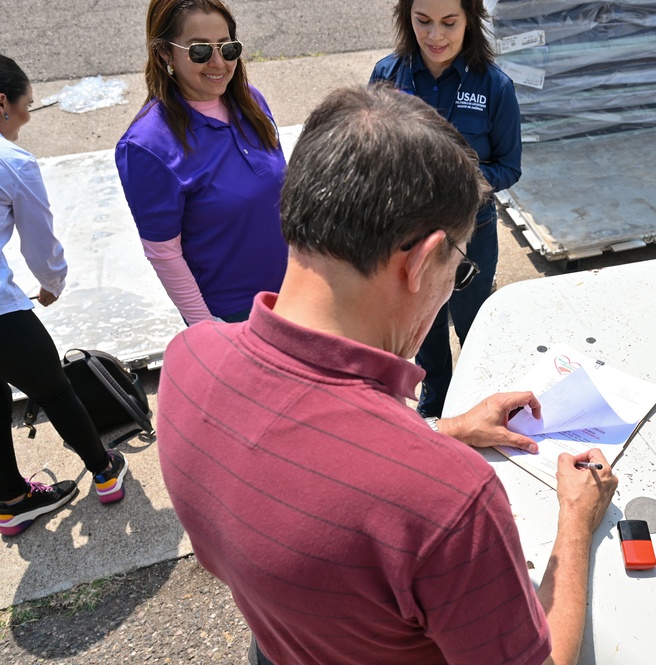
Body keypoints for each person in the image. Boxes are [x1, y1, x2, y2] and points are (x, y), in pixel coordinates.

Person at [157, 85, 616, 665]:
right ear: (423, 261)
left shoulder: (189, 359)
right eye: (460, 265)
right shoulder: (451, 500)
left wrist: (443, 431)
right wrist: (576, 525)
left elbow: (303, 462)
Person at [370, 0, 523, 418]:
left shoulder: (495, 87)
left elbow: (509, 168)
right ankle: (436, 406)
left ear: (470, 21)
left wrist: (455, 184)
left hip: (471, 233)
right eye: (423, 22)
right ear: (407, 19)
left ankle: (480, 405)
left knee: (474, 322)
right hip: (409, 235)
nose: (435, 36)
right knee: (426, 328)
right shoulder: (387, 76)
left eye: (449, 23)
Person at [0, 55, 128, 536]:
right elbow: (40, 241)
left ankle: (11, 502)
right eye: (26, 105)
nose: (29, 117)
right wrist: (52, 285)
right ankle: (105, 470)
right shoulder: (10, 161)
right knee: (53, 387)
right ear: (2, 104)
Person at [116, 0, 287, 325]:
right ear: (165, 52)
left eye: (228, 48)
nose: (219, 63)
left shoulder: (251, 100)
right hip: (233, 314)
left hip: (294, 294)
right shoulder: (147, 146)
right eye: (200, 51)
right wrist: (205, 328)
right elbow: (164, 253)